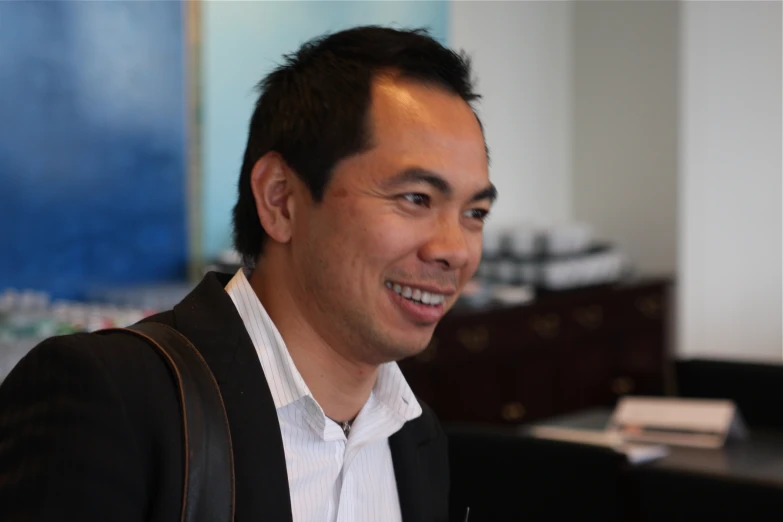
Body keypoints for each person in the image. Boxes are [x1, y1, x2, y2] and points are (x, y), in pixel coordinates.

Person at [0, 25, 494, 522]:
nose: (453, 249)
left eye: (474, 213)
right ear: (280, 198)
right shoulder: (113, 400)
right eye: (415, 199)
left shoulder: (414, 437)